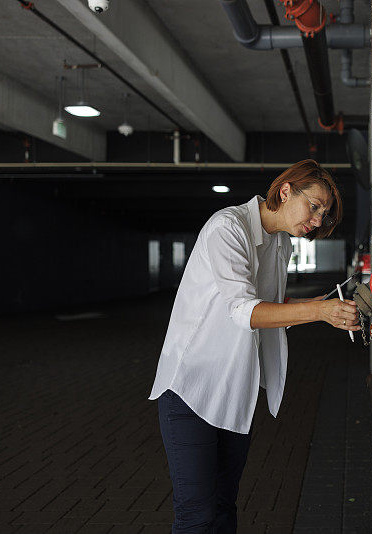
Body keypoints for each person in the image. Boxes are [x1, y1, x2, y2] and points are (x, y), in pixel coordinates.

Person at [148, 159, 360, 533]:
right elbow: (244, 312)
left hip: (234, 391)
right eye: (314, 206)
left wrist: (328, 311)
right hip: (189, 390)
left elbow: (271, 309)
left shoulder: (279, 244)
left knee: (224, 507)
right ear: (285, 191)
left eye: (323, 215)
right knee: (196, 516)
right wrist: (319, 310)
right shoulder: (227, 227)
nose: (317, 220)